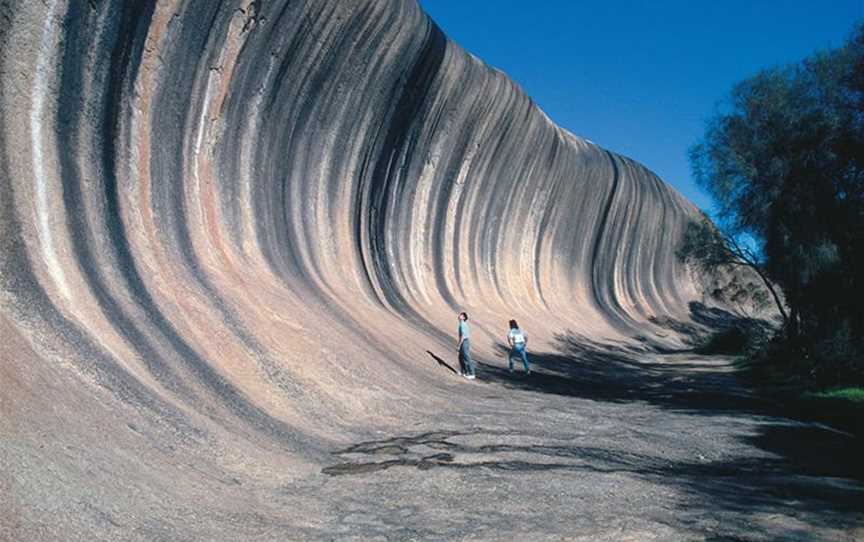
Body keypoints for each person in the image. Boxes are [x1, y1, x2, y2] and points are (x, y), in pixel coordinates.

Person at [457, 312, 475, 380]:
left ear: (464, 318)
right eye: (459, 315)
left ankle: (472, 374)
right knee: (460, 357)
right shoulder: (462, 324)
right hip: (465, 341)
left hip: (464, 342)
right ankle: (463, 372)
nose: (459, 316)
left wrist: (459, 345)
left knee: (467, 357)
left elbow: (463, 336)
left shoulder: (463, 325)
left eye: (461, 315)